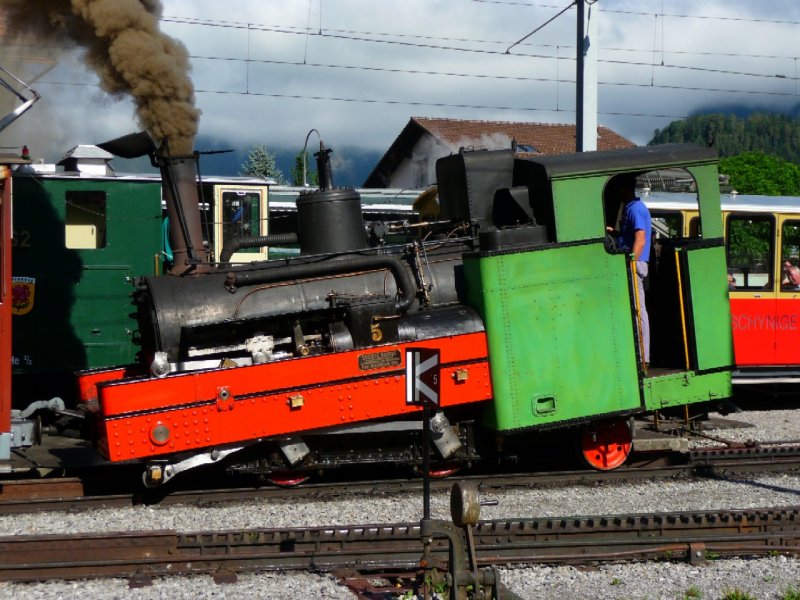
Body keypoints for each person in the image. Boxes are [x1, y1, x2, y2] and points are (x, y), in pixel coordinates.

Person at [605, 174, 651, 367]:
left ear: (625, 189)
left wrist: (631, 262)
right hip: (634, 260)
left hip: (636, 263)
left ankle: (644, 358)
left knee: (639, 310)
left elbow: (640, 238)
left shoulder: (636, 209)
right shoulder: (630, 208)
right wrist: (614, 233)